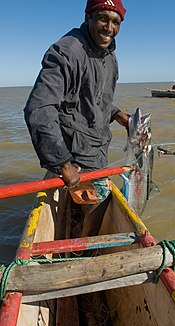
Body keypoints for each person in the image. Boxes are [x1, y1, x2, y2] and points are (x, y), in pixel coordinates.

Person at [24, 0, 129, 237]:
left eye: (116, 22)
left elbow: (93, 97)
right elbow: (38, 109)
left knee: (93, 209)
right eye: (103, 18)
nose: (109, 28)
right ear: (88, 17)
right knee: (96, 208)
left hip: (98, 149)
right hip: (76, 157)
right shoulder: (66, 52)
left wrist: (117, 114)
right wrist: (63, 164)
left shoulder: (109, 56)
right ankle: (82, 252)